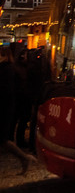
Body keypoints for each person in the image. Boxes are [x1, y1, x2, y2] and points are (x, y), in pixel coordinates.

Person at [0, 47, 37, 175]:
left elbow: (7, 91)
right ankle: (25, 158)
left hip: (4, 108)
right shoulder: (8, 68)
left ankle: (25, 158)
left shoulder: (7, 69)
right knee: (3, 140)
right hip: (7, 107)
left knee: (3, 140)